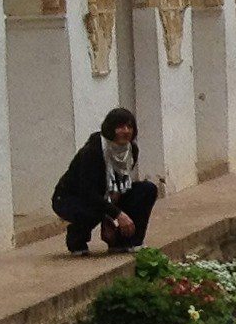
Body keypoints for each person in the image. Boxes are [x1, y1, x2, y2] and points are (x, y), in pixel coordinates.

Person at [52, 108, 158, 255]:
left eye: (130, 126)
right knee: (92, 208)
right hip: (72, 198)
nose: (126, 131)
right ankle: (77, 238)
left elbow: (120, 184)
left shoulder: (131, 150)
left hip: (106, 194)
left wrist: (112, 211)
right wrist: (115, 215)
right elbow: (88, 193)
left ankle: (128, 240)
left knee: (147, 189)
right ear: (110, 129)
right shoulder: (93, 151)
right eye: (120, 127)